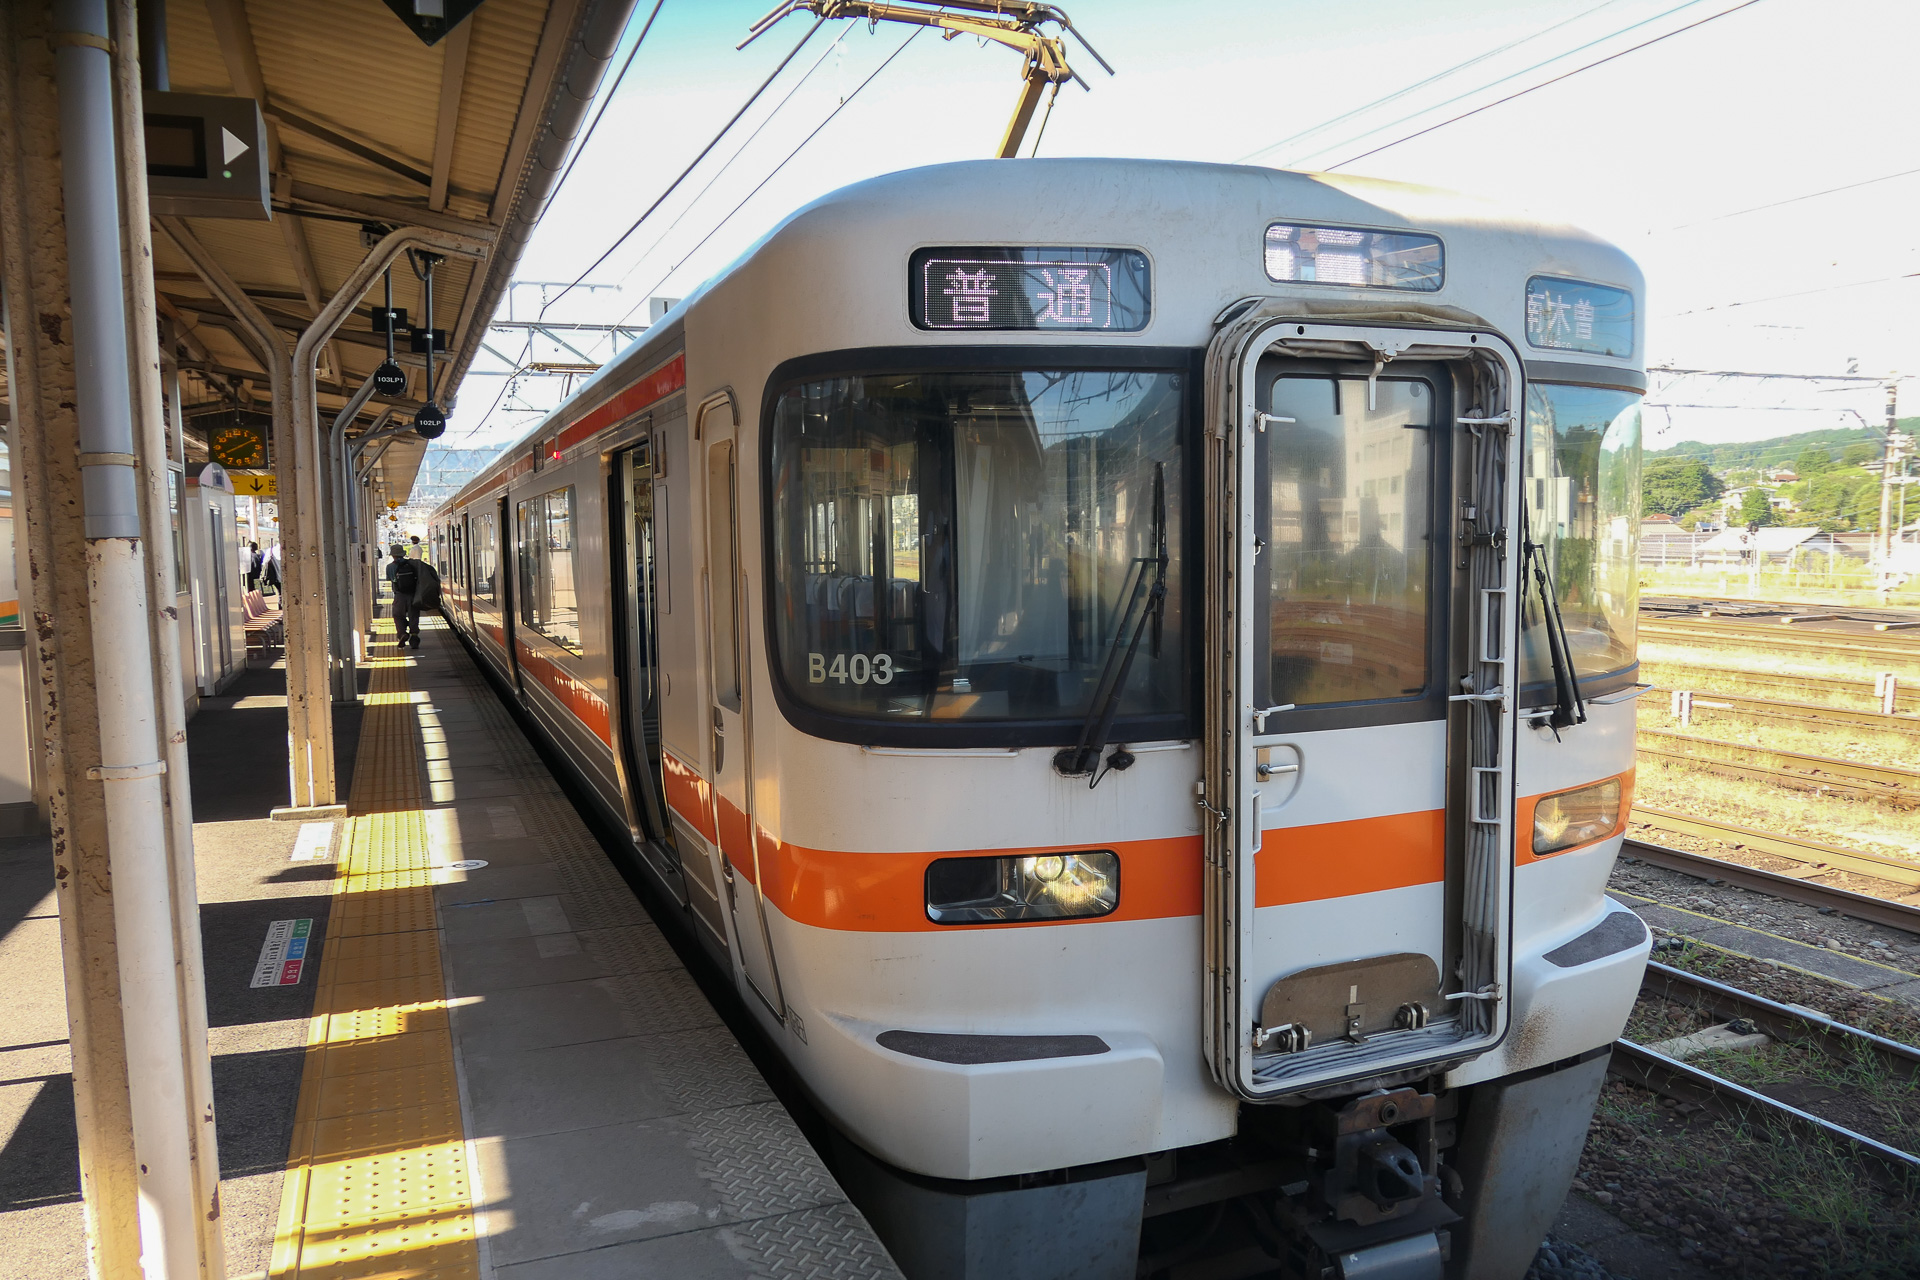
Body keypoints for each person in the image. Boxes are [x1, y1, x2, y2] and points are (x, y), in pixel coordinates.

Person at [386, 545, 423, 648]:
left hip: (399, 596)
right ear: (402, 554)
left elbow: (391, 579)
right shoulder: (411, 564)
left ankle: (402, 633)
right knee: (413, 615)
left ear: (393, 555)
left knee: (398, 616)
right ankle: (414, 636)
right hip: (413, 595)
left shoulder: (390, 567)